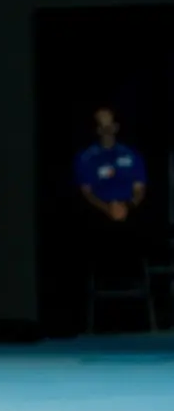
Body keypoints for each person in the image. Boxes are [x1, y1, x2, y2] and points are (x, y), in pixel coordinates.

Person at [75, 107, 147, 287]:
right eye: (102, 127)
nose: (106, 130)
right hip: (99, 215)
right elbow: (87, 193)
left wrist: (127, 206)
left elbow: (139, 189)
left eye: (110, 126)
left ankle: (134, 279)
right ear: (97, 130)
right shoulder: (87, 158)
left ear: (116, 127)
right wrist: (108, 209)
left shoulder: (131, 155)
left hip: (128, 212)